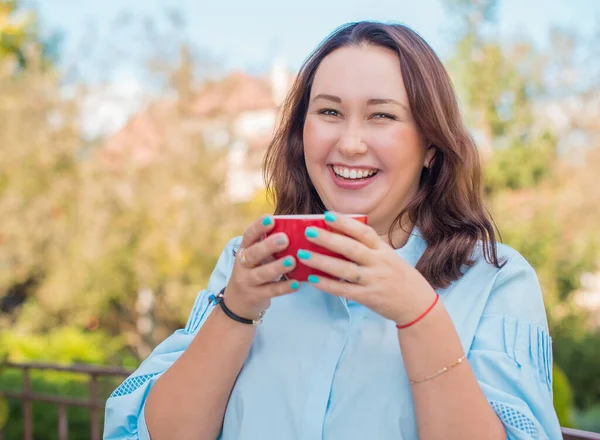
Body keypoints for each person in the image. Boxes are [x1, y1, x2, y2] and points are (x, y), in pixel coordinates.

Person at [103, 21, 562, 440]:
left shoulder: (497, 281)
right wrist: (237, 310)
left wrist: (419, 314)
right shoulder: (247, 263)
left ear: (431, 146)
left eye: (381, 115)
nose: (350, 143)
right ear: (301, 135)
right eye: (328, 112)